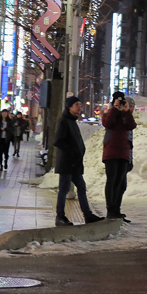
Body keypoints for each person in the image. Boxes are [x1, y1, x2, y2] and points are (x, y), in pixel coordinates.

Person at [54, 96, 104, 227]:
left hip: (74, 163)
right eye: (77, 104)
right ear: (69, 106)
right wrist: (72, 151)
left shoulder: (72, 121)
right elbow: (58, 141)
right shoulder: (64, 121)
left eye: (80, 104)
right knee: (64, 189)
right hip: (67, 162)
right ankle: (60, 217)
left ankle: (87, 215)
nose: (79, 106)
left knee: (81, 187)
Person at [101, 95, 135, 222]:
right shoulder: (109, 114)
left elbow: (132, 125)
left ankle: (116, 210)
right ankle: (111, 210)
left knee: (121, 184)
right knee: (112, 181)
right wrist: (114, 108)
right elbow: (107, 123)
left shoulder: (126, 117)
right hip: (111, 153)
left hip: (124, 153)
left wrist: (126, 111)